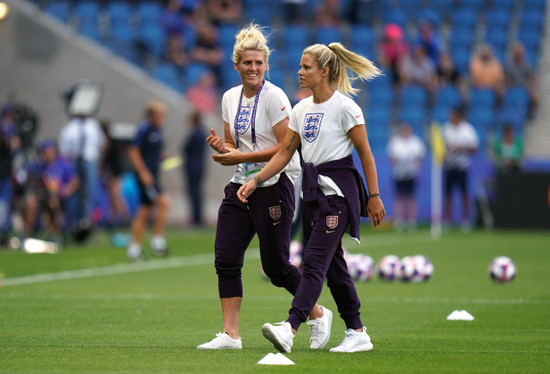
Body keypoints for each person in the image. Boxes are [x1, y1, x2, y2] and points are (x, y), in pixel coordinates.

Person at [238, 42, 385, 353]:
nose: (299, 72)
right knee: (334, 268)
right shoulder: (300, 109)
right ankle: (357, 331)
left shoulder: (346, 108)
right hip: (311, 195)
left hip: (338, 196)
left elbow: (366, 154)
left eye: (306, 67)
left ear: (325, 71)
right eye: (301, 66)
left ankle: (290, 327)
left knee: (313, 262)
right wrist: (256, 180)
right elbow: (284, 153)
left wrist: (373, 196)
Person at [197, 24, 327, 350]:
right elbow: (231, 143)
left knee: (276, 267)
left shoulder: (275, 97)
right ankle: (230, 335)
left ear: (265, 65)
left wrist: (244, 158)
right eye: (247, 63)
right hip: (241, 184)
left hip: (274, 184)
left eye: (258, 63)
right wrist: (223, 148)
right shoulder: (229, 97)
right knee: (225, 260)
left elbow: (286, 147)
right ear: (236, 64)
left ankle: (318, 313)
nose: (253, 68)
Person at [126, 101, 170, 261]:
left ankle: (137, 248)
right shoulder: (144, 129)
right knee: (157, 205)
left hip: (153, 175)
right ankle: (154, 242)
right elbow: (134, 151)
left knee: (147, 209)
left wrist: (161, 156)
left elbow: (151, 151)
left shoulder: (157, 130)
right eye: (159, 115)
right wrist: (143, 172)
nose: (162, 118)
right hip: (146, 176)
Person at [58, 112, 105, 225]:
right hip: (74, 161)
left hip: (90, 160)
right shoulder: (69, 128)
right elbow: (64, 150)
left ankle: (87, 221)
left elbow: (102, 142)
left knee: (90, 191)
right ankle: (74, 221)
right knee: (74, 192)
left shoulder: (93, 125)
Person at [442, 106, 479, 232]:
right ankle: (447, 221)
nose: (451, 117)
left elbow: (474, 148)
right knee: (448, 194)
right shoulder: (447, 128)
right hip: (449, 166)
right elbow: (442, 146)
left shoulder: (468, 130)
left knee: (464, 194)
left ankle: (465, 221)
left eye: (453, 114)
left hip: (462, 166)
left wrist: (462, 148)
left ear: (458, 116)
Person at [387, 122, 426, 232]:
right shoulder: (395, 142)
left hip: (411, 174)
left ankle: (411, 221)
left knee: (411, 197)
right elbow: (391, 158)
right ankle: (398, 220)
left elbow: (420, 158)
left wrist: (415, 168)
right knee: (399, 197)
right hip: (399, 174)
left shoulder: (416, 142)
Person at [182, 110, 207, 227]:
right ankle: (198, 218)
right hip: (199, 167)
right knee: (197, 193)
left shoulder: (195, 133)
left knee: (194, 194)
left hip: (193, 168)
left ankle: (196, 219)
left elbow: (186, 149)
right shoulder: (202, 132)